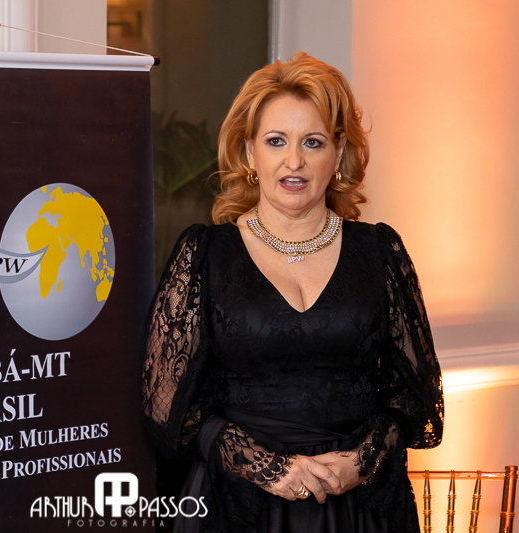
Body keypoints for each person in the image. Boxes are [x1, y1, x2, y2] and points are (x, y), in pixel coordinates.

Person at [142, 52, 444, 533]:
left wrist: (360, 462)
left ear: (338, 154)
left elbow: (414, 397)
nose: (294, 161)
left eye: (313, 142)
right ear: (249, 154)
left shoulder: (380, 251)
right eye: (276, 141)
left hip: (359, 510)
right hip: (237, 506)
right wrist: (265, 467)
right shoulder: (204, 254)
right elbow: (165, 407)